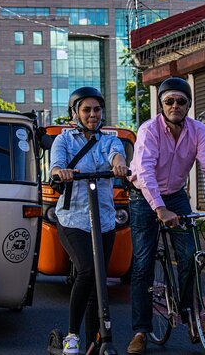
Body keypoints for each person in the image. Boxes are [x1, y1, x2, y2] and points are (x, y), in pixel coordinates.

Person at [126, 77, 205, 354]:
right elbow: (146, 172)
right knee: (142, 263)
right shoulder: (149, 130)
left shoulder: (198, 130)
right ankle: (141, 330)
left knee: (189, 255)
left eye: (181, 101)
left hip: (176, 194)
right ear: (161, 104)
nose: (175, 105)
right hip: (143, 196)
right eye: (169, 101)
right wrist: (159, 208)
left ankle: (190, 318)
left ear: (188, 104)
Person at [50, 87, 128, 355]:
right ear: (75, 113)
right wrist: (62, 172)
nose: (93, 114)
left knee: (100, 280)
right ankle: (72, 335)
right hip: (73, 219)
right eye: (87, 110)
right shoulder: (64, 140)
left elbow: (117, 154)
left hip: (104, 219)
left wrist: (119, 164)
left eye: (97, 109)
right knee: (86, 271)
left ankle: (96, 338)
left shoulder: (109, 140)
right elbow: (57, 165)